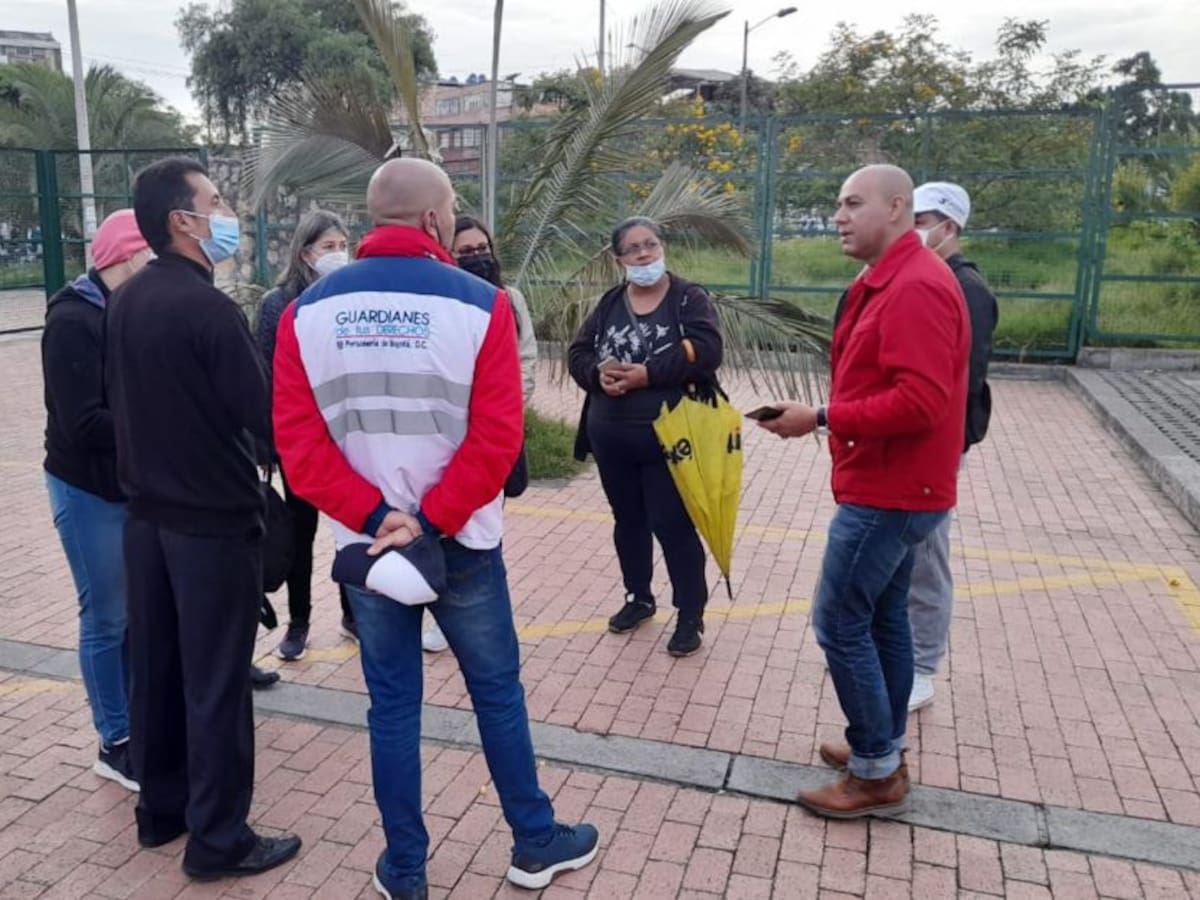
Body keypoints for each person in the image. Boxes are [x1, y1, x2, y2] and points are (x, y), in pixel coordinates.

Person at [272, 158, 598, 899]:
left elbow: (300, 445)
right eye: (451, 211)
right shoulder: (480, 306)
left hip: (372, 552)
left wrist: (374, 517)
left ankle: (407, 869)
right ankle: (535, 841)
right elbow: (495, 441)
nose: (455, 223)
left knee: (391, 707)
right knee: (497, 693)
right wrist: (428, 520)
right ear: (431, 220)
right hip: (463, 544)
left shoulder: (307, 313)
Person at [105, 157, 301, 879]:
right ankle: (219, 839)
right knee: (216, 682)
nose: (228, 215)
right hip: (210, 524)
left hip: (145, 520)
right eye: (216, 203)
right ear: (182, 221)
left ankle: (162, 811)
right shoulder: (210, 309)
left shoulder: (128, 298)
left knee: (156, 670)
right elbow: (265, 415)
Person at [757, 165, 969, 818]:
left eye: (853, 204)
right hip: (895, 486)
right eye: (837, 204)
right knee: (881, 620)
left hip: (893, 492)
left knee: (839, 621)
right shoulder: (890, 279)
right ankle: (881, 745)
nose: (839, 217)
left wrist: (820, 418)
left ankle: (877, 772)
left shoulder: (914, 287)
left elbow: (921, 401)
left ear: (899, 208)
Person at [567, 217, 722, 657]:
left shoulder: (688, 298)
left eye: (650, 245)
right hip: (610, 437)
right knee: (628, 522)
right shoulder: (611, 301)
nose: (643, 255)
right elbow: (578, 352)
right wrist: (598, 376)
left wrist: (646, 375)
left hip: (670, 439)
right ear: (619, 259)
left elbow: (708, 351)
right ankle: (639, 598)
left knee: (672, 525)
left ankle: (690, 613)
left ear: (662, 248)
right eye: (633, 249)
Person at [42, 208, 154, 793]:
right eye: (150, 258)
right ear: (128, 257)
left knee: (134, 612)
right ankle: (115, 741)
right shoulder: (72, 320)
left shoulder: (125, 312)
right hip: (87, 488)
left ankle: (138, 722)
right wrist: (161, 421)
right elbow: (82, 421)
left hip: (127, 485)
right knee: (106, 618)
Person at [420, 214, 538, 655]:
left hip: (493, 437)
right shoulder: (442, 300)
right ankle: (435, 611)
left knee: (484, 527)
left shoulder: (511, 299)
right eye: (465, 251)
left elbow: (526, 360)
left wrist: (501, 409)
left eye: (482, 249)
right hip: (444, 436)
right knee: (436, 523)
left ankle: (477, 618)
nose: (476, 258)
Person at [907, 182, 999, 712]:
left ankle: (922, 664)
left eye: (922, 218)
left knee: (926, 555)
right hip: (902, 443)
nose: (913, 228)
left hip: (934, 447)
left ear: (949, 226)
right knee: (895, 552)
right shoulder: (919, 276)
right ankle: (896, 651)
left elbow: (958, 383)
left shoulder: (968, 290)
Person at [255, 209, 359, 661]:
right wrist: (266, 442)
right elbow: (262, 376)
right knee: (299, 536)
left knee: (351, 533)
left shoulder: (356, 297)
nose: (337, 255)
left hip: (349, 440)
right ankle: (298, 623)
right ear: (304, 253)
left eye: (342, 246)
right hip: (299, 441)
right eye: (327, 248)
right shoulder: (278, 304)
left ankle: (354, 615)